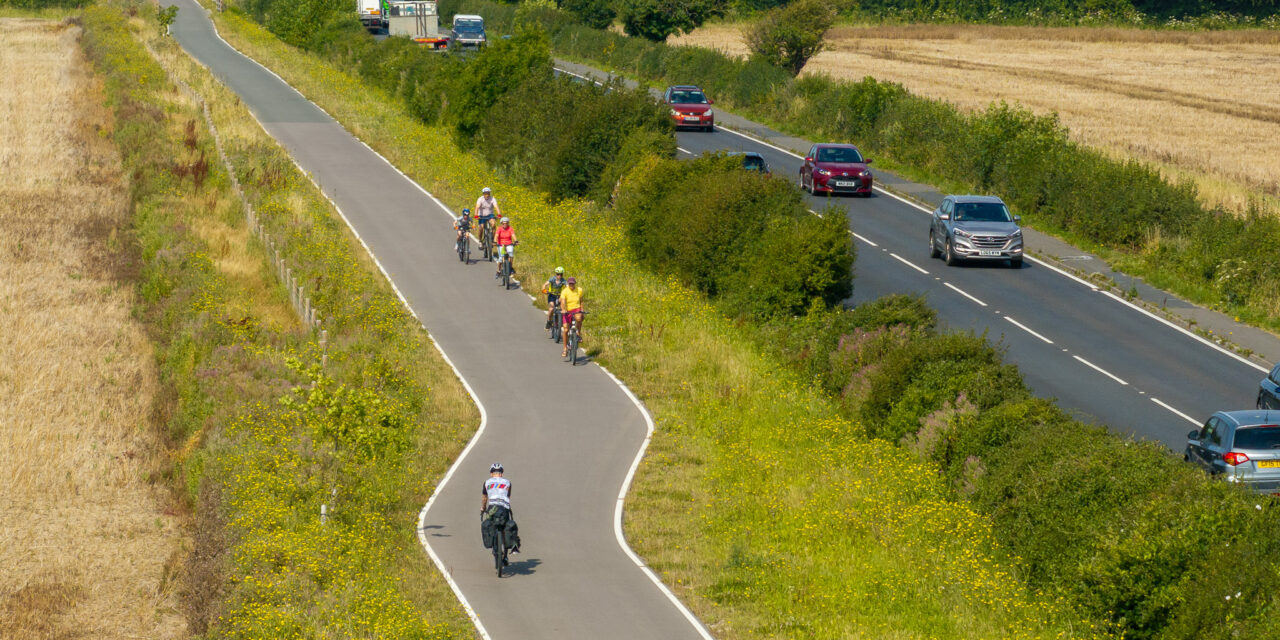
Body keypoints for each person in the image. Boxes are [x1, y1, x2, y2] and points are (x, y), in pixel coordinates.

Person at [481, 463, 519, 555]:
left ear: (491, 474)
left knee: (490, 523)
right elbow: (508, 496)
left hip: (492, 508)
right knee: (507, 524)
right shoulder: (507, 482)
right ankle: (512, 546)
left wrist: (483, 508)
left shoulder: (486, 483)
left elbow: (484, 498)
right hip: (504, 508)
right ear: (501, 473)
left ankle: (494, 545)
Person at [559, 276, 585, 358]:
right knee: (566, 329)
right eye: (570, 283)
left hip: (576, 309)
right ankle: (565, 349)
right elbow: (562, 301)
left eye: (573, 283)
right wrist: (563, 309)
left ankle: (578, 334)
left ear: (575, 283)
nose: (571, 285)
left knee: (579, 318)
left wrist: (582, 310)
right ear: (568, 284)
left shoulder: (579, 290)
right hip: (567, 310)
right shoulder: (565, 291)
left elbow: (581, 301)